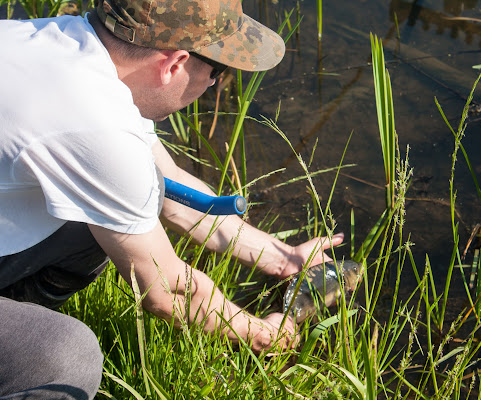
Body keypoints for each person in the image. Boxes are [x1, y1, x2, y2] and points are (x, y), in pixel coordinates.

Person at [0, 0, 344, 398]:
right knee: (63, 357)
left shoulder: (65, 46)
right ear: (174, 64)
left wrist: (282, 258)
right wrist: (264, 334)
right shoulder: (95, 127)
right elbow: (165, 291)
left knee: (100, 222)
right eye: (218, 71)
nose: (215, 84)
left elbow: (167, 189)